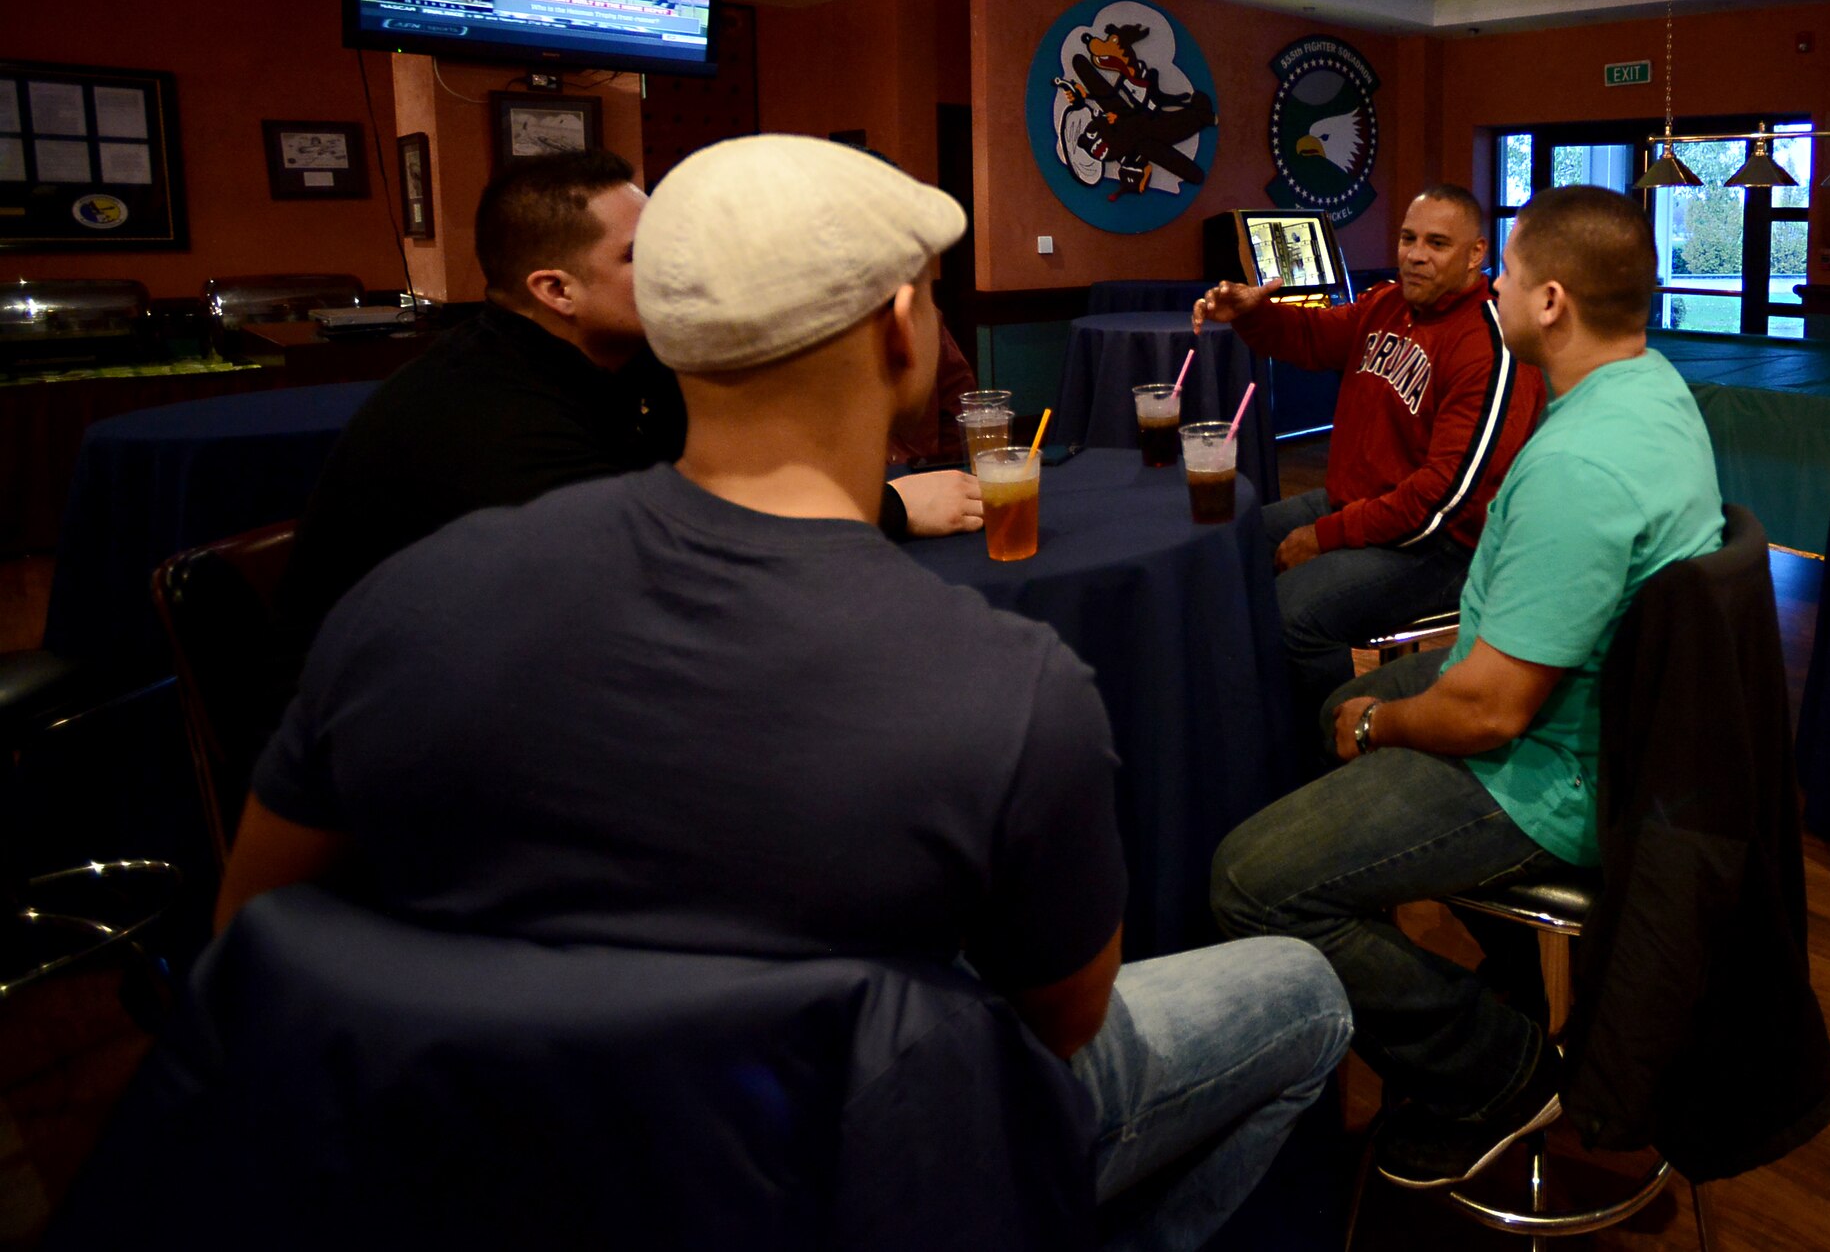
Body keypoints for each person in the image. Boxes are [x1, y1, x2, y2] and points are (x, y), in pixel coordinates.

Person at [225, 135, 1352, 1250]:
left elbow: (257, 932)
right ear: (901, 332)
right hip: (839, 1175)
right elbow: (1058, 1020)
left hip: (491, 1166)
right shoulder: (1004, 681)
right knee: (1302, 993)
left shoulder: (413, 594)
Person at [1211, 185, 1725, 1191]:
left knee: (1244, 879)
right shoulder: (1651, 389)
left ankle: (1499, 1071)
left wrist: (1376, 725)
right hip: (1601, 729)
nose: (1493, 288)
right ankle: (1503, 984)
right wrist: (1356, 717)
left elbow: (1490, 709)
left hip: (1546, 773)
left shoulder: (1576, 463)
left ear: (1550, 303)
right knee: (1327, 707)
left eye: (1508, 271)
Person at [280, 148, 982, 649]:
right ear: (556, 291)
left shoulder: (636, 356)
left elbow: (719, 497)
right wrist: (886, 508)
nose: (676, 269)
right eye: (641, 255)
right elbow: (648, 580)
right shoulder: (485, 417)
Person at [1195, 186, 1545, 710]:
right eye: (1408, 238)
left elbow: (1441, 499)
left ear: (1476, 253)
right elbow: (1312, 337)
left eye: (1437, 243)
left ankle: (1326, 760)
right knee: (1224, 542)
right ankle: (1245, 727)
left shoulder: (1488, 345)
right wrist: (1251, 313)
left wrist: (1325, 536)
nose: (1416, 254)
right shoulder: (1387, 302)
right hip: (1361, 504)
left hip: (1444, 546)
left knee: (1294, 613)